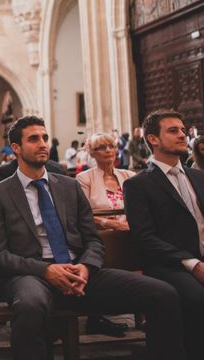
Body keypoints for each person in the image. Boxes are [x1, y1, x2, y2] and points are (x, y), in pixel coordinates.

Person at [0, 115, 186, 360]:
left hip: (80, 271)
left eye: (45, 138)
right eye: (34, 139)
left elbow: (92, 239)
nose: (43, 144)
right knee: (30, 305)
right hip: (31, 275)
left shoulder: (68, 186)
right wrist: (46, 271)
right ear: (16, 148)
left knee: (163, 293)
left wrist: (86, 267)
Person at [125, 110, 204, 360]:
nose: (182, 134)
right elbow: (145, 238)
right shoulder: (139, 185)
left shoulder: (203, 177)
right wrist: (194, 264)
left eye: (182, 129)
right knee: (196, 297)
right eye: (173, 130)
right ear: (153, 139)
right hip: (173, 266)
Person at [76, 133, 136, 337]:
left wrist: (130, 223)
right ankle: (97, 317)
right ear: (92, 153)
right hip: (99, 235)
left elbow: (139, 208)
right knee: (97, 251)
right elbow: (82, 213)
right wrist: (110, 224)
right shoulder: (84, 179)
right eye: (101, 147)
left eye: (111, 146)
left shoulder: (129, 176)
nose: (108, 150)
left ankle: (144, 309)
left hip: (129, 233)